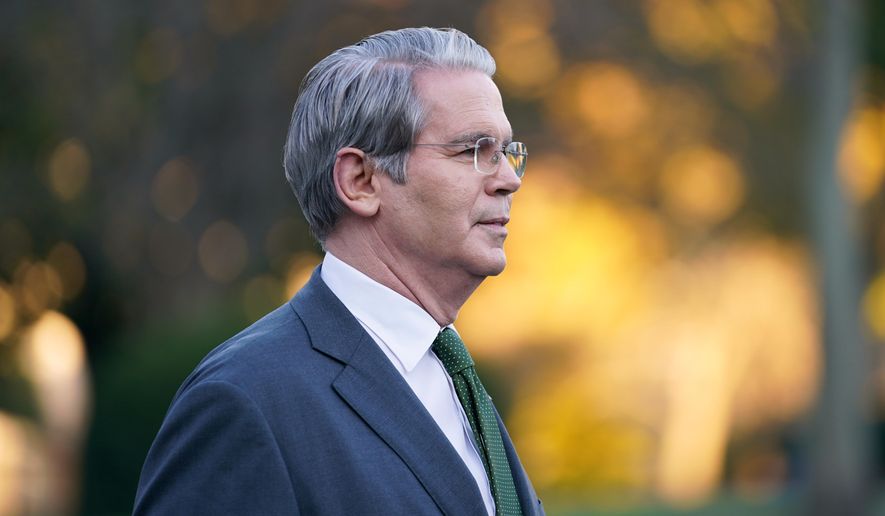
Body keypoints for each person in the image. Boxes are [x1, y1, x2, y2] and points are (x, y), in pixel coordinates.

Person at [134, 27, 541, 515]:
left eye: (506, 152)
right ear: (360, 180)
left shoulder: (455, 381)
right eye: (473, 151)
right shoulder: (244, 401)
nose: (509, 180)